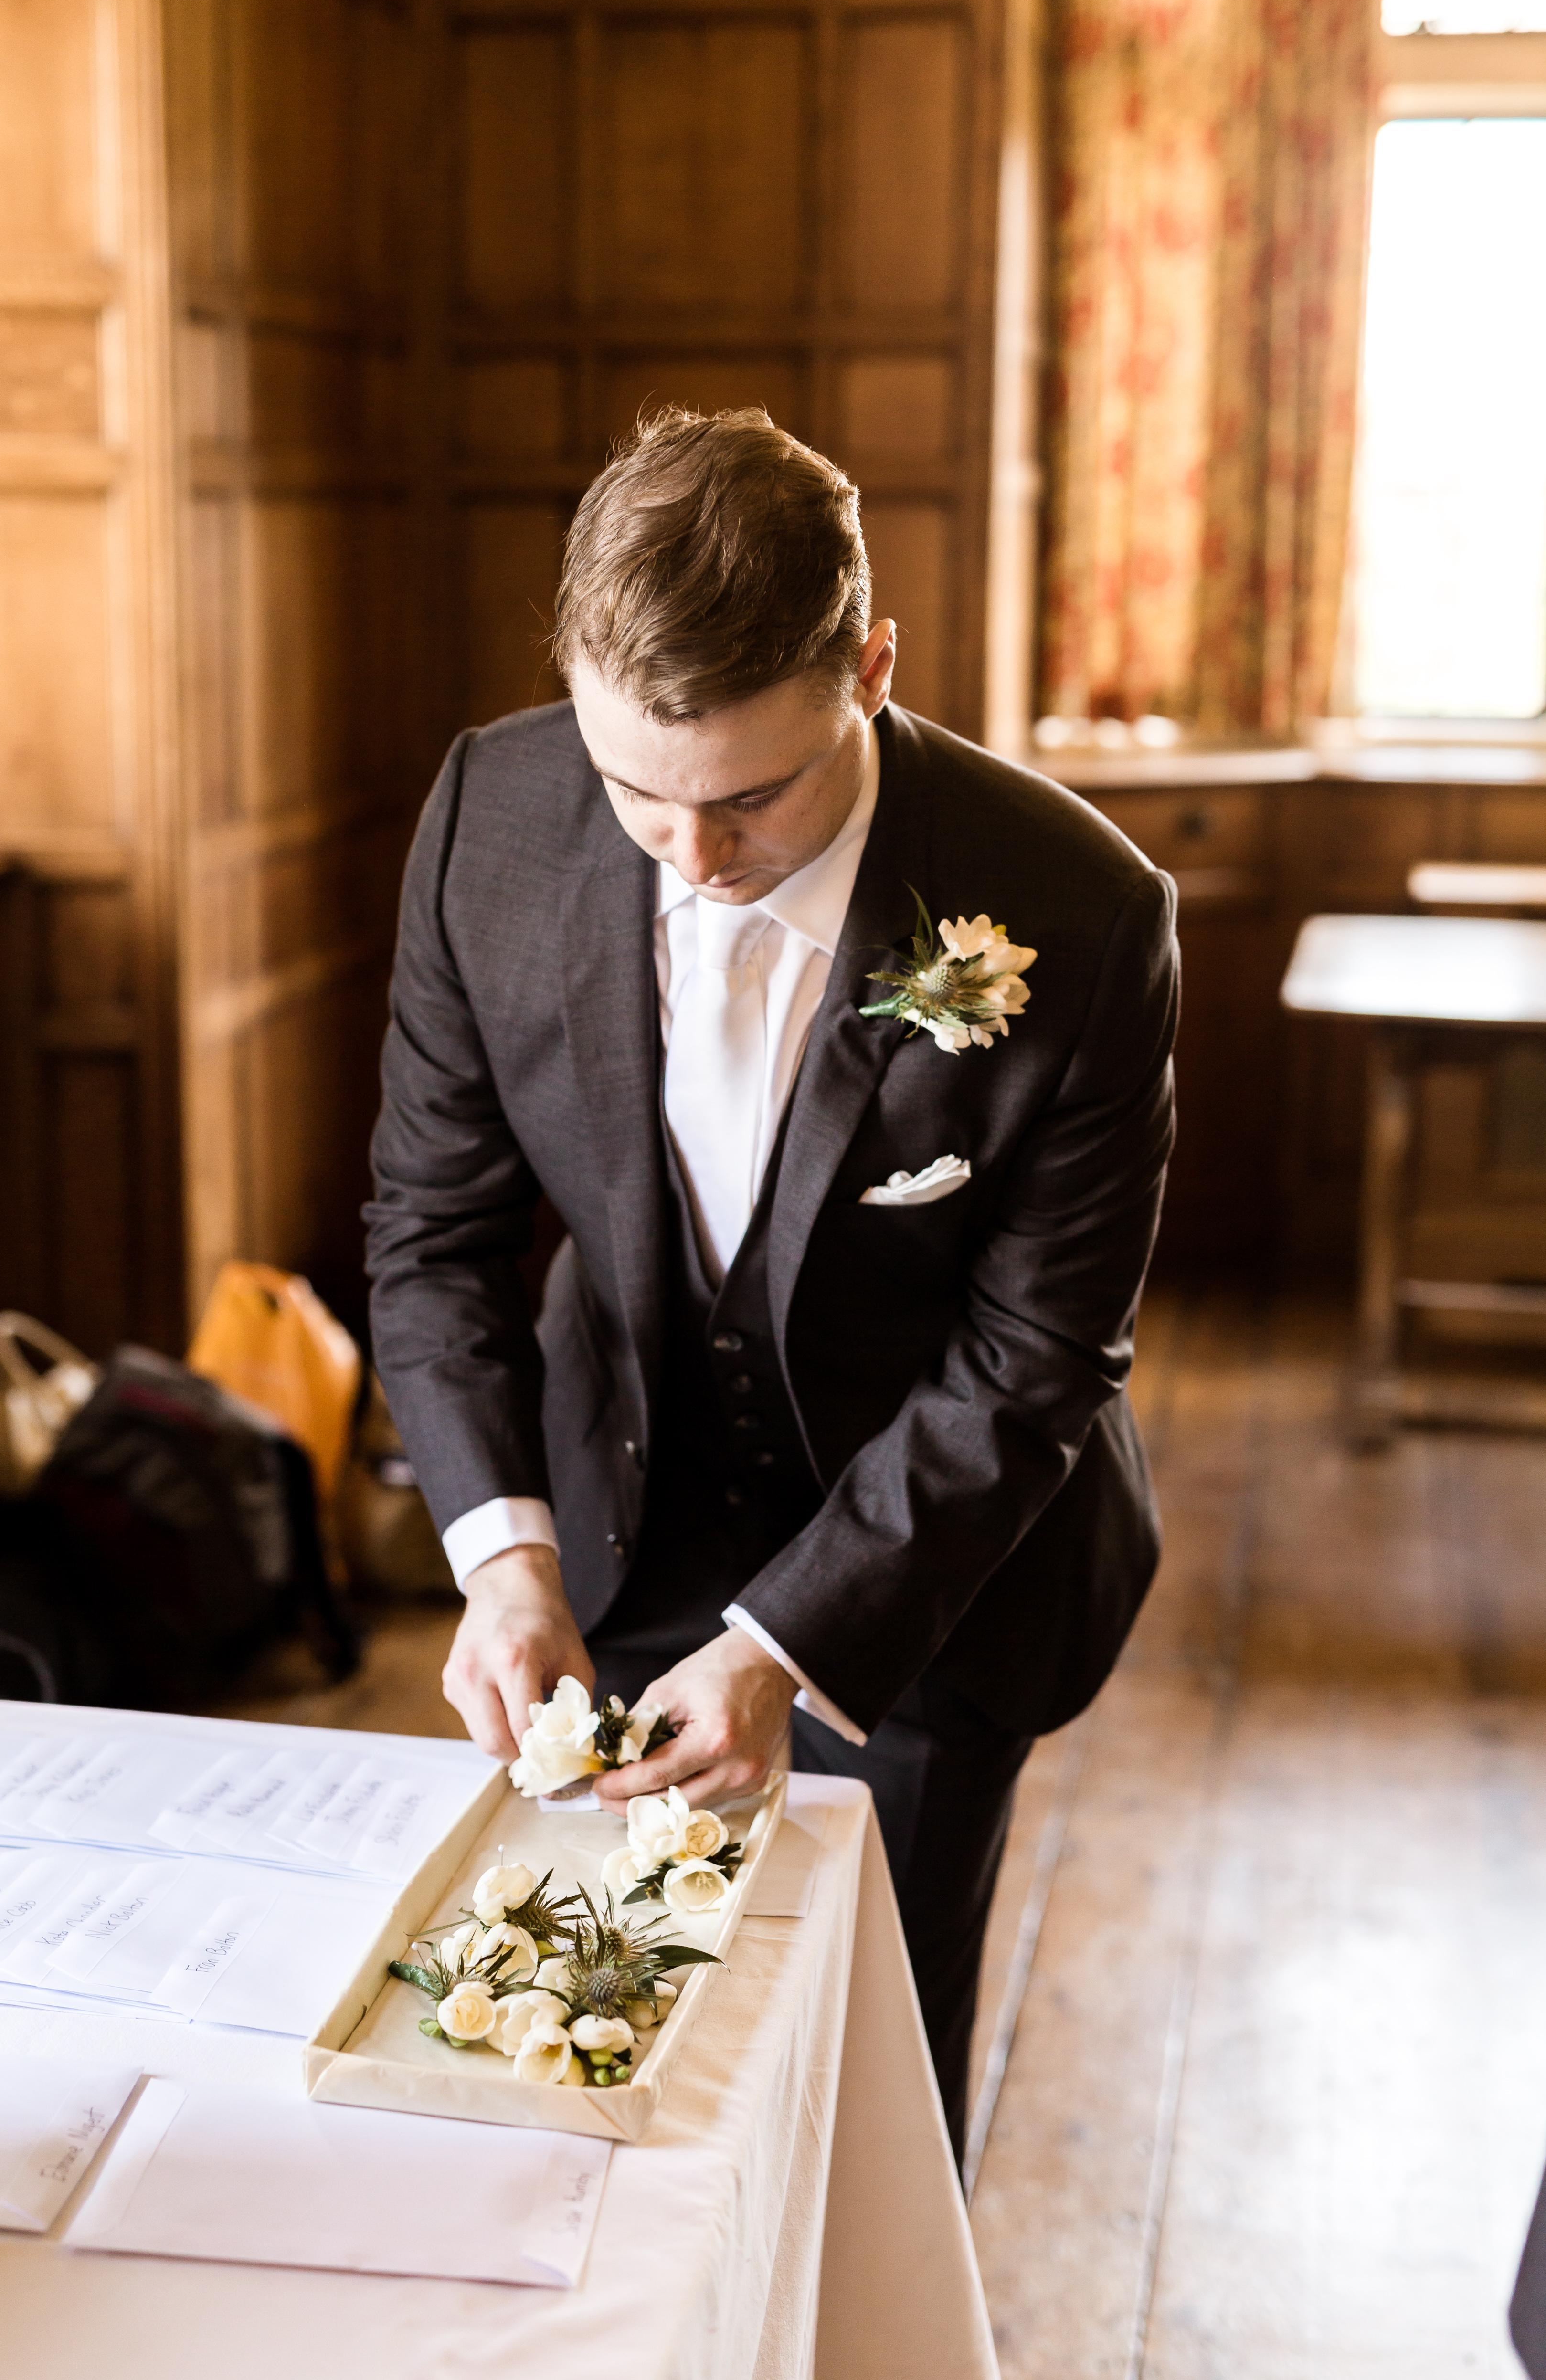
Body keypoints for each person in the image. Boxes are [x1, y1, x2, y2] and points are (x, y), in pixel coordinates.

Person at [365, 407, 1178, 2162]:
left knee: (864, 2075)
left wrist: (791, 1646)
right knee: (577, 2030)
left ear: (872, 669)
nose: (693, 856)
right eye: (633, 788)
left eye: (750, 794)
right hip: (612, 1523)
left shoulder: (1082, 912)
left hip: (940, 1584)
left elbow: (1037, 1361)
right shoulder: (486, 822)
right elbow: (431, 1232)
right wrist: (500, 1565)